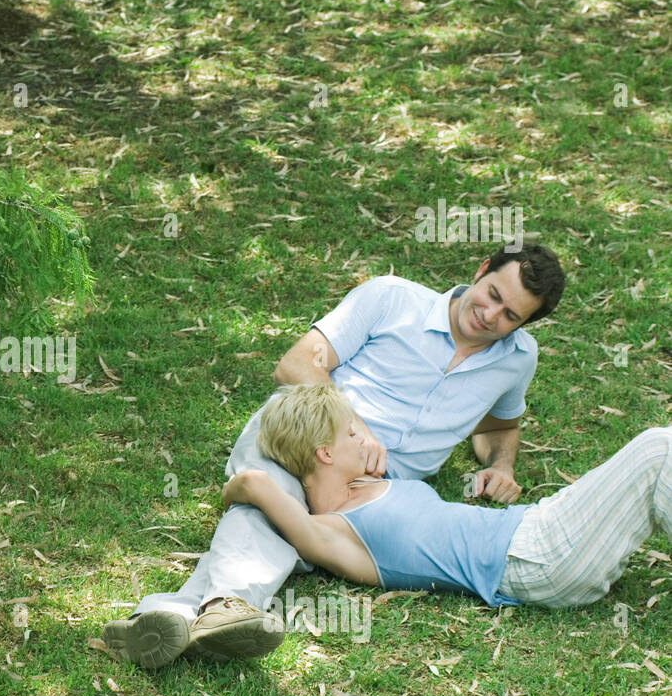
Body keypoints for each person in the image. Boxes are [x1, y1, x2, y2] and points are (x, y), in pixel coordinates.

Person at [101, 244, 566, 669]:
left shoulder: (518, 358)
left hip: (378, 487)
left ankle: (171, 615)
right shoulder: (391, 299)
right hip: (309, 430)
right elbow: (296, 364)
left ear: (524, 325)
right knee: (276, 497)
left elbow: (499, 425)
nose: (490, 315)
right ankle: (226, 607)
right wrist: (354, 428)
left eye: (510, 315)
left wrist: (500, 463)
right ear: (481, 270)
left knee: (274, 516)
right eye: (491, 294)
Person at [223, 382, 672, 612]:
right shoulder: (333, 529)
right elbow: (282, 512)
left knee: (662, 449)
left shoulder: (367, 485)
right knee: (656, 448)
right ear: (324, 453)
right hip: (534, 560)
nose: (365, 439)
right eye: (352, 433)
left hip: (535, 526)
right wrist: (250, 485)